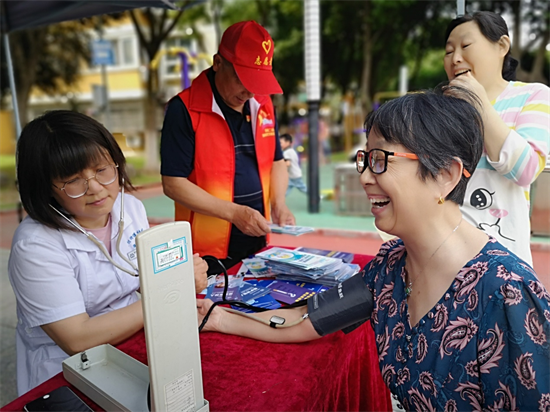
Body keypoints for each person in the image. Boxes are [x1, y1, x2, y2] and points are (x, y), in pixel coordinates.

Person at [197, 89, 550, 411]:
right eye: (364, 159)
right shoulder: (391, 267)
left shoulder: (508, 294)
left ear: (446, 173)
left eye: (381, 160)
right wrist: (218, 317)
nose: (365, 176)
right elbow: (308, 320)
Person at [8, 110, 208, 395]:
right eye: (73, 179)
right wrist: (170, 290)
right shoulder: (36, 245)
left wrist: (176, 278)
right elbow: (77, 338)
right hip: (68, 370)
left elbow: (145, 276)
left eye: (102, 169)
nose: (96, 188)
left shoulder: (130, 208)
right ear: (46, 187)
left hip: (132, 346)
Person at [160, 20, 295, 272]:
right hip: (206, 252)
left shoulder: (263, 105)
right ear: (218, 63)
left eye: (256, 82)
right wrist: (234, 213)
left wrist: (279, 203)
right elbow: (173, 183)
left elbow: (276, 161)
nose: (249, 92)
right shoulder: (184, 109)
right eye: (242, 79)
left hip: (257, 239)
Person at [444, 11, 550, 266]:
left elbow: (525, 169)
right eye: (448, 51)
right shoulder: (441, 109)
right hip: (444, 256)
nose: (456, 58)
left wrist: (479, 103)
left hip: (503, 263)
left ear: (501, 46)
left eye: (466, 46)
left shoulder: (534, 95)